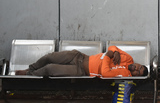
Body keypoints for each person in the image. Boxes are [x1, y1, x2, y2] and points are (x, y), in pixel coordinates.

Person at [15, 45, 148, 77]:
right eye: (139, 67)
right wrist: (116, 52)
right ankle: (30, 68)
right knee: (49, 56)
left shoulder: (124, 73)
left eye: (138, 72)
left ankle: (29, 75)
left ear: (135, 75)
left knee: (50, 69)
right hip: (80, 57)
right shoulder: (128, 58)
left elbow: (106, 73)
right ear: (138, 63)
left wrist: (108, 56)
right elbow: (112, 47)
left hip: (81, 70)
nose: (136, 68)